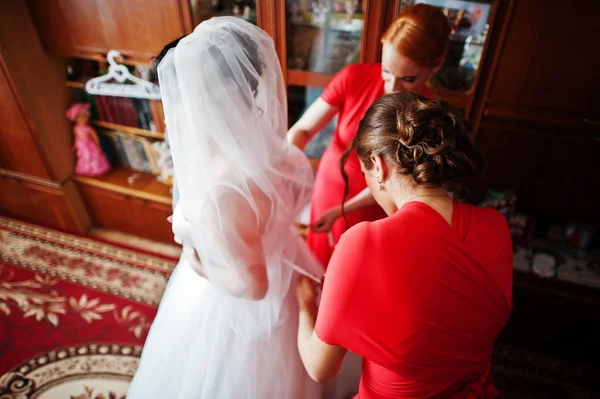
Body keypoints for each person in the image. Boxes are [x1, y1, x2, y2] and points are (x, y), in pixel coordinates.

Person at [128, 17, 324, 398]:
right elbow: (294, 202)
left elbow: (253, 288)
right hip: (286, 263)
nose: (169, 113)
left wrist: (198, 260)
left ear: (196, 99)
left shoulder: (220, 190)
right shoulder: (275, 148)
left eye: (174, 97)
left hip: (237, 303)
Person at [296, 93, 513, 398]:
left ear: (377, 166)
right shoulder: (496, 227)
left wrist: (306, 305)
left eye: (364, 174)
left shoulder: (362, 243)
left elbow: (319, 368)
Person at [288, 4, 452, 267]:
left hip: (376, 204)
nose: (391, 86)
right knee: (317, 263)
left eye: (408, 79)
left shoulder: (431, 115)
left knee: (356, 269)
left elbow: (400, 180)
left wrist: (342, 211)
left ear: (436, 66)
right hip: (331, 187)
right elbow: (303, 130)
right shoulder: (353, 77)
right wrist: (280, 177)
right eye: (386, 70)